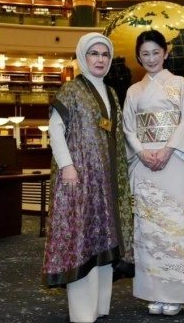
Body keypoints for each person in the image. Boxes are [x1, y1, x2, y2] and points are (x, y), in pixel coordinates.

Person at [42, 32, 134, 323]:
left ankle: (100, 307)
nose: (100, 59)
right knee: (81, 241)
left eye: (105, 54)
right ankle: (83, 313)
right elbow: (56, 130)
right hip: (78, 180)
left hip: (106, 184)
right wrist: (67, 166)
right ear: (83, 57)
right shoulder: (70, 90)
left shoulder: (112, 93)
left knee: (104, 241)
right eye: (94, 53)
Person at [122, 29, 184, 316]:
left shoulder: (180, 84)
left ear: (166, 53)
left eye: (156, 52)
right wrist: (141, 152)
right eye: (145, 54)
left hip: (175, 159)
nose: (151, 58)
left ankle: (176, 293)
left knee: (174, 224)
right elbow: (128, 128)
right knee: (148, 229)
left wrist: (168, 149)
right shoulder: (134, 91)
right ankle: (153, 293)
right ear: (138, 57)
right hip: (145, 162)